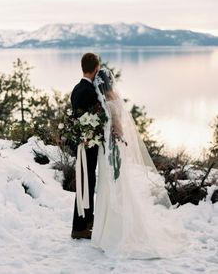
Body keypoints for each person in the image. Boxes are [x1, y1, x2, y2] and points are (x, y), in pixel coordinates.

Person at [90, 67, 191, 259]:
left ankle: (113, 230)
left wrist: (112, 133)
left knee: (112, 185)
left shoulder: (108, 101)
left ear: (100, 83)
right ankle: (107, 230)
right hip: (110, 148)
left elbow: (117, 126)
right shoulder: (112, 98)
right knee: (111, 185)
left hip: (111, 149)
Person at [70, 52, 100, 239]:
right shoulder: (88, 92)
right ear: (96, 68)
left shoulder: (76, 88)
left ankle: (88, 219)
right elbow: (92, 120)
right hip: (87, 145)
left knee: (88, 182)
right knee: (84, 183)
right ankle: (78, 227)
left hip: (84, 143)